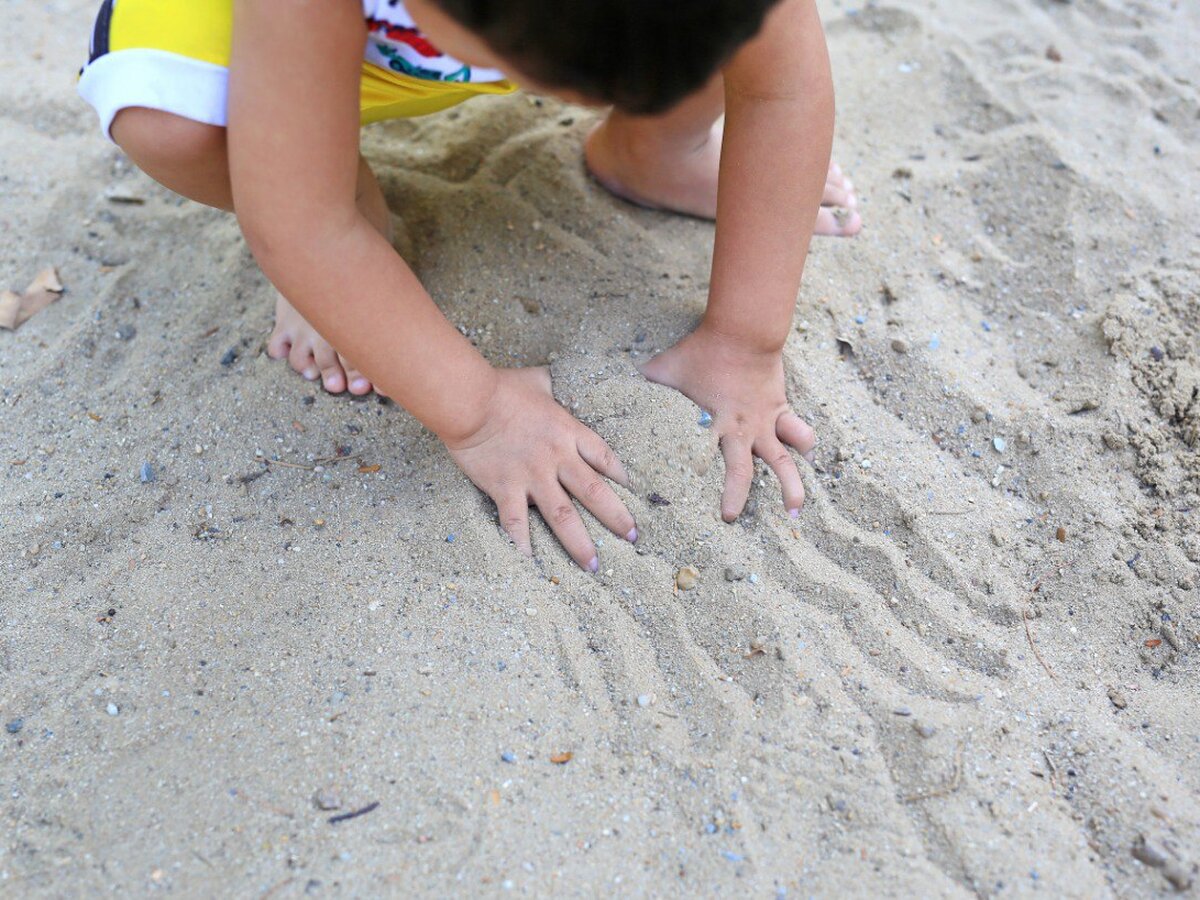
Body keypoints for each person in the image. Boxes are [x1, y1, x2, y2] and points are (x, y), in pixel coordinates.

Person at [77, 0, 862, 572]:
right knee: (169, 124)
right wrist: (479, 415)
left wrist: (746, 340)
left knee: (710, 33)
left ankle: (653, 149)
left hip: (512, 29)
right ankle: (343, 194)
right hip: (297, 38)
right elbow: (299, 227)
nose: (580, 94)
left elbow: (781, 85)